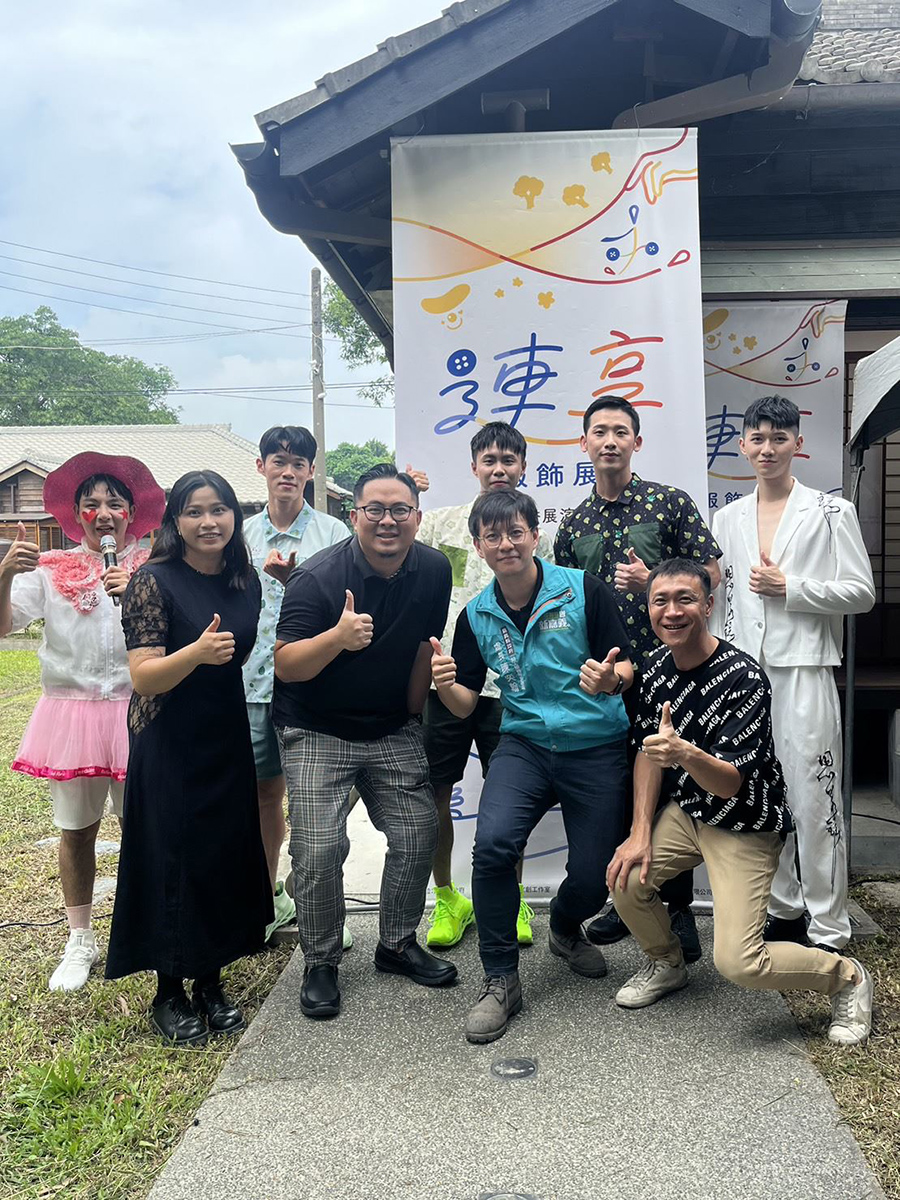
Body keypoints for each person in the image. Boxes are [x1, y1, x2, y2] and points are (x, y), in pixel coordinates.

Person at [608, 559, 873, 1047]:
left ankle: (847, 977)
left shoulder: (743, 677)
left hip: (744, 823)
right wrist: (640, 832)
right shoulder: (656, 668)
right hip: (689, 813)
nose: (672, 611)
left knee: (740, 962)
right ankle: (667, 963)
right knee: (625, 878)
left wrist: (683, 752)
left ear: (709, 605)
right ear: (648, 609)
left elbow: (729, 783)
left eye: (686, 599)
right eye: (660, 601)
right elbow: (648, 754)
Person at [431, 490, 634, 1043]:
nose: (506, 544)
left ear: (534, 535)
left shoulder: (583, 589)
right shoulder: (476, 614)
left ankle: (565, 928)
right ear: (479, 547)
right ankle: (500, 978)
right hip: (524, 743)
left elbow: (629, 666)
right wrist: (445, 685)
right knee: (494, 845)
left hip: (595, 743)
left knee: (596, 875)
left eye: (515, 532)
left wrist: (610, 679)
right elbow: (466, 705)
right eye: (493, 536)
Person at [274, 463, 455, 1020]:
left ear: (417, 517)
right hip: (316, 728)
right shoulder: (317, 579)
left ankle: (396, 944)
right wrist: (337, 637)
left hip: (390, 725)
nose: (387, 521)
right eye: (374, 510)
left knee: (418, 830)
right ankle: (321, 960)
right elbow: (286, 665)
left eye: (399, 510)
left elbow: (423, 646)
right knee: (319, 847)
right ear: (354, 516)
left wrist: (412, 715)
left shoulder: (434, 569)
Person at [105, 471, 272, 1047]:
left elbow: (240, 653)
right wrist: (196, 652)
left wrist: (209, 657)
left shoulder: (244, 579)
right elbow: (144, 677)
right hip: (169, 736)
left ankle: (211, 980)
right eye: (195, 511)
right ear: (175, 520)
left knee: (219, 853)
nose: (208, 522)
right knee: (173, 855)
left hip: (223, 731)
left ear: (234, 516)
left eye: (219, 509)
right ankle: (168, 991)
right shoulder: (152, 581)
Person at [555, 395, 721, 960]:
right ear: (583, 443)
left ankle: (679, 909)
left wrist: (654, 582)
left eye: (620, 431)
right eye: (599, 431)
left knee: (674, 780)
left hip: (669, 673)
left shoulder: (669, 503)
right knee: (623, 786)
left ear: (637, 442)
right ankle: (629, 899)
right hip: (604, 679)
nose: (610, 441)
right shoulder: (572, 523)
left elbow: (711, 572)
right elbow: (564, 600)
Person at [710, 396, 876, 951]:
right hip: (744, 676)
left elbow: (861, 592)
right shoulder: (727, 517)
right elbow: (722, 602)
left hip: (804, 668)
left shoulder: (831, 512)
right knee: (760, 794)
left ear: (797, 444)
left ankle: (829, 924)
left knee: (813, 798)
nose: (767, 449)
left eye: (778, 438)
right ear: (742, 445)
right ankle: (782, 908)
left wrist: (793, 588)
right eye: (757, 438)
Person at [0, 452, 164, 992]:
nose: (104, 513)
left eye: (115, 503)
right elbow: (3, 626)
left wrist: (135, 592)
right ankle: (79, 938)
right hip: (72, 713)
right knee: (75, 829)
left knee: (146, 826)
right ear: (76, 515)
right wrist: (5, 574)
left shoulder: (156, 565)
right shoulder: (50, 569)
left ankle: (149, 928)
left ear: (132, 512)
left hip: (140, 710)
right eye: (91, 504)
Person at [416, 421, 554, 949]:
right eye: (489, 460)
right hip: (446, 683)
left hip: (514, 687)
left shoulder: (540, 534)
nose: (499, 469)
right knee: (435, 792)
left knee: (510, 797)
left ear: (523, 467)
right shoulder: (440, 524)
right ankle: (447, 899)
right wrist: (409, 493)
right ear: (473, 466)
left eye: (508, 460)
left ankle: (513, 899)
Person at [242, 425, 349, 943]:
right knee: (263, 795)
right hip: (249, 685)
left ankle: (322, 911)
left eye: (298, 463)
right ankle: (267, 899)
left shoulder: (333, 533)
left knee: (319, 804)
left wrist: (295, 581)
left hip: (314, 684)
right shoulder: (240, 534)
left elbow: (348, 603)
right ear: (261, 466)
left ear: (311, 471)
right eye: (278, 461)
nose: (287, 472)